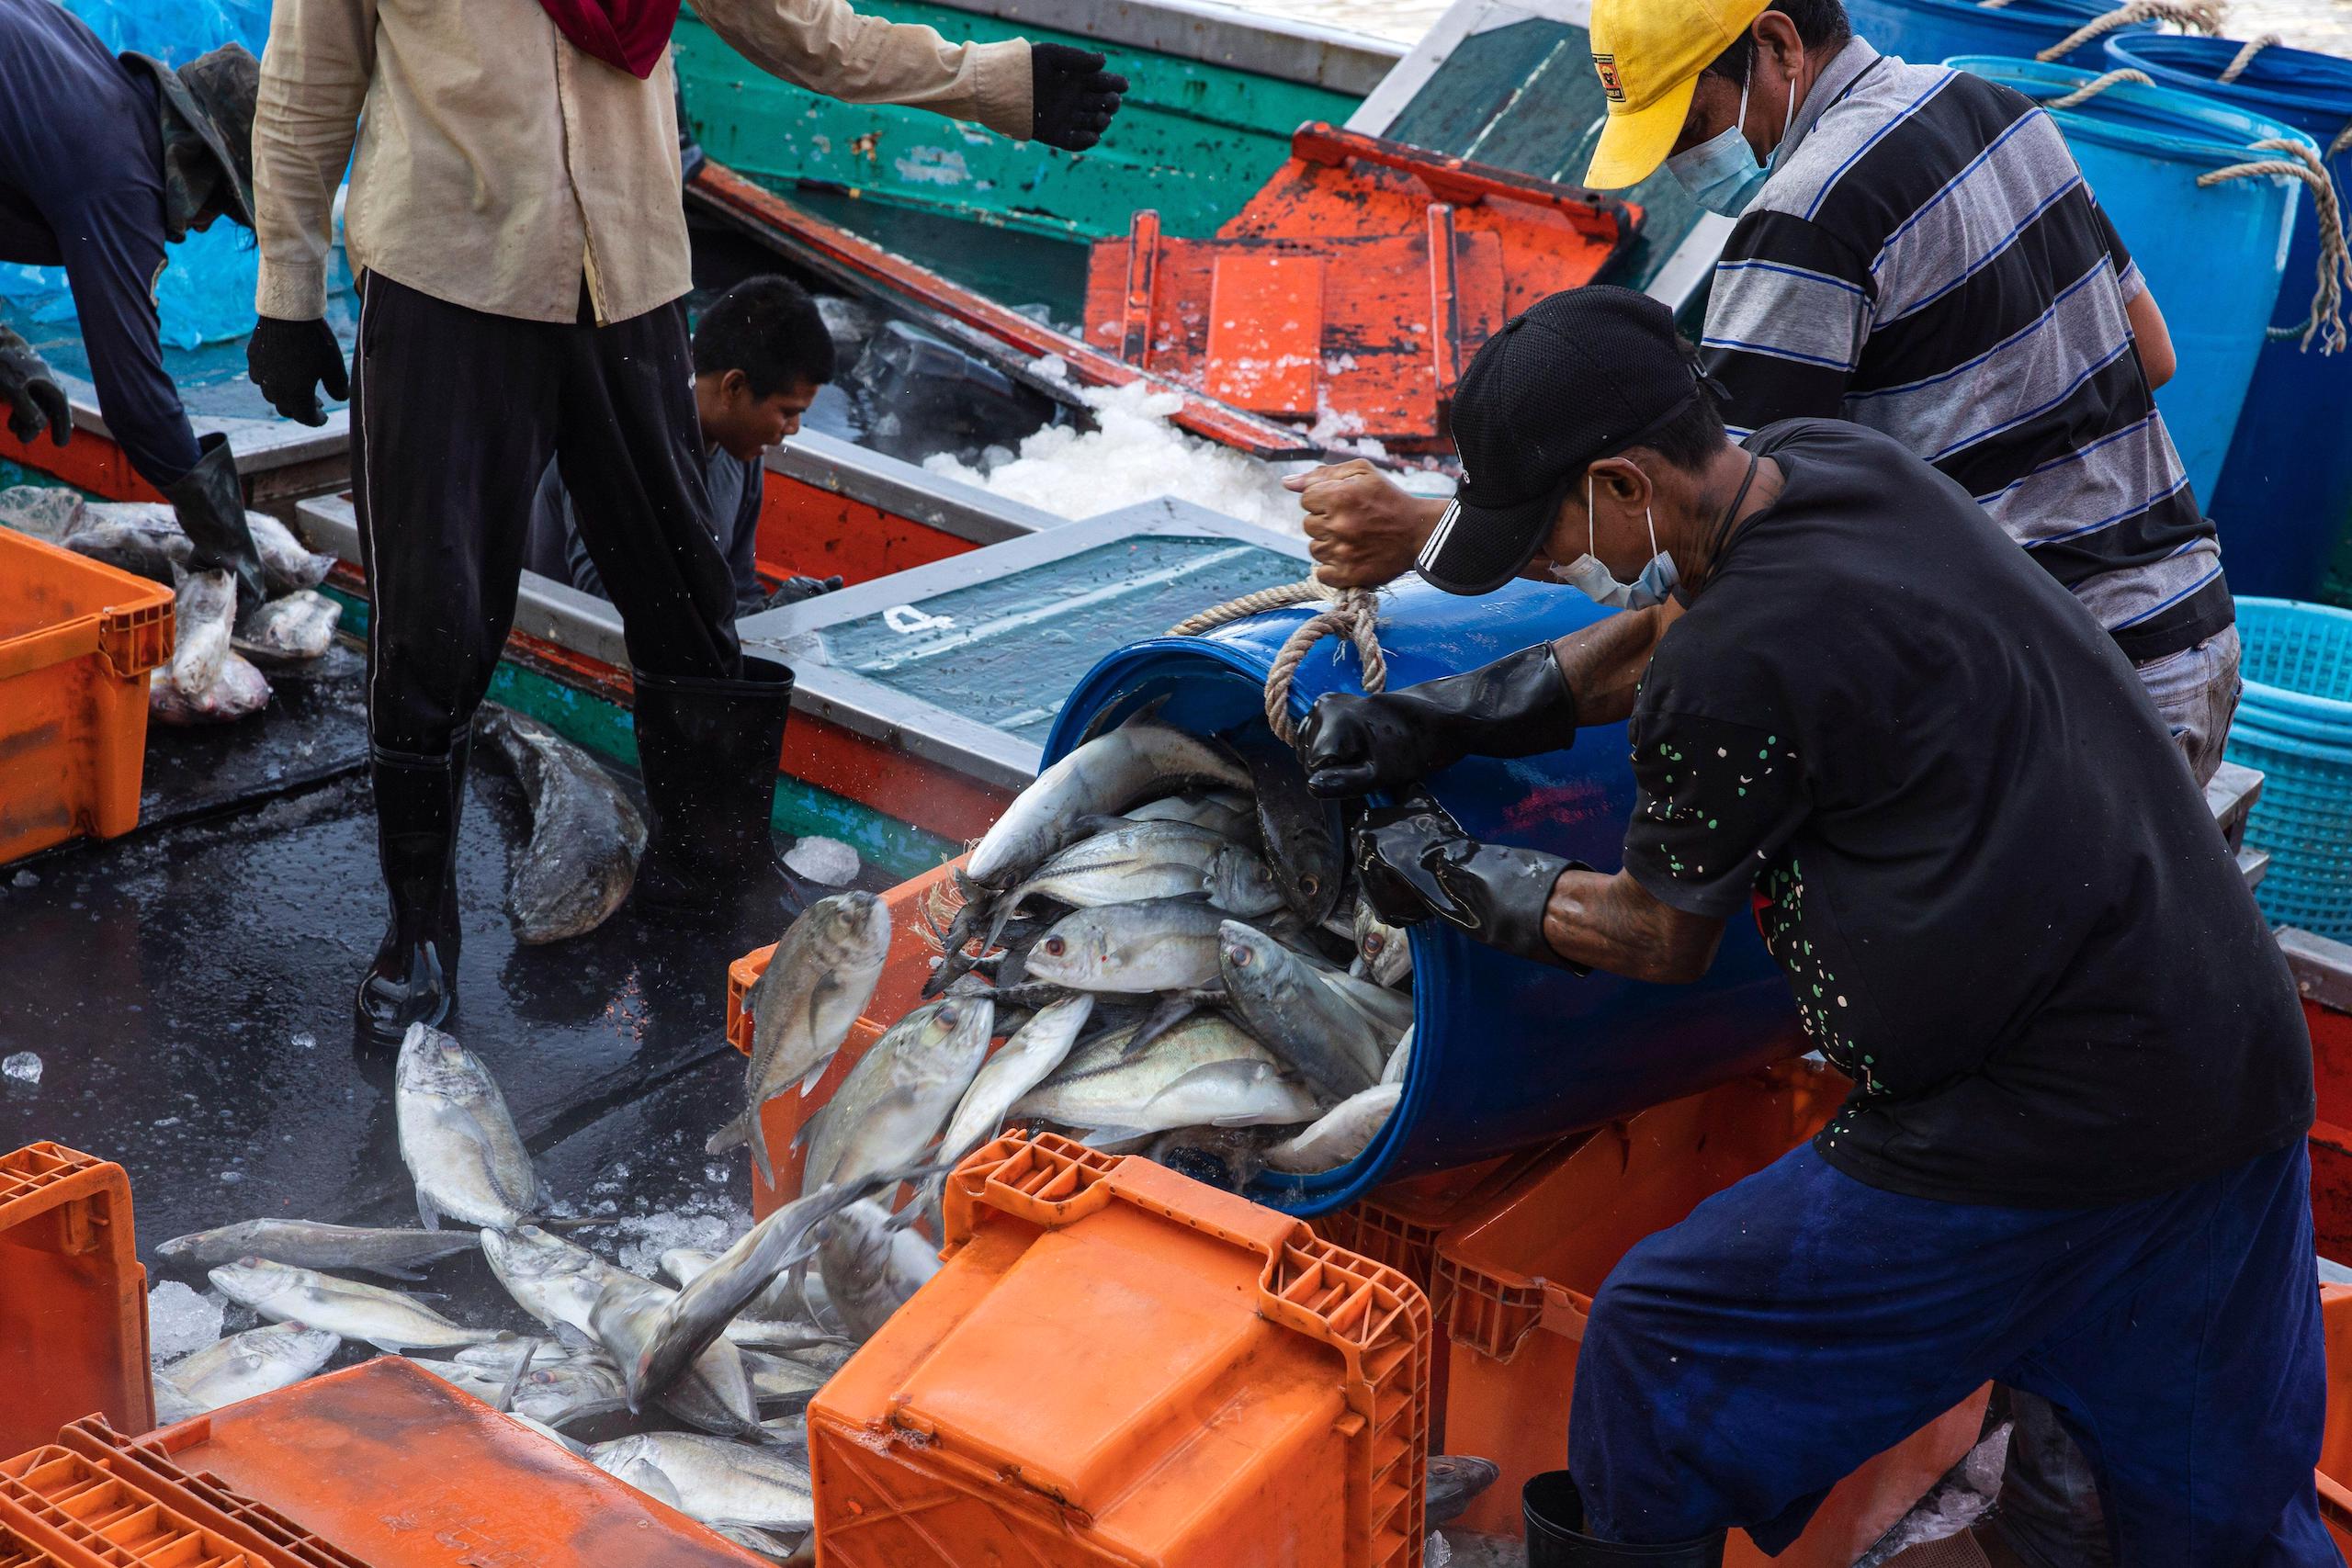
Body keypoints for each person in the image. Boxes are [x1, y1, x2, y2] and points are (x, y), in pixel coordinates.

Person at [1300, 287, 2326, 1564]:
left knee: (1657, 1346)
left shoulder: (1738, 659)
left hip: (2040, 1115)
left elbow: (1655, 931)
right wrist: (1448, 713)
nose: (1553, 555)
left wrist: (1448, 873)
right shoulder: (1834, 467)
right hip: (2224, 1047)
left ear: (1622, 483)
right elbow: (1667, 629)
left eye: (1554, 522)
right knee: (2218, 1519)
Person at [245, 0, 1125, 1042]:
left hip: (628, 283)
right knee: (430, 622)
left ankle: (714, 879)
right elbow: (304, 91)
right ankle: (418, 934)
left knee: (689, 594)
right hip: (449, 287)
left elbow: (801, 29)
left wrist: (999, 83)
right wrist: (286, 293)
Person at [1288, 0, 2241, 789]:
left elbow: (1705, 553)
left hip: (2061, 697)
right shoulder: (1991, 105)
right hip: (2187, 631)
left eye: (1691, 128)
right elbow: (2147, 353)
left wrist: (1427, 540)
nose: (1678, 167)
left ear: (1778, 46)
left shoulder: (1804, 218)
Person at [0, 1, 268, 607]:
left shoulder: (96, 87)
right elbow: (137, 401)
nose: (201, 228)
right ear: (200, 168)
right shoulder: (120, 171)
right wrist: (224, 537)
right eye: (220, 208)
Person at [525, 275, 842, 616]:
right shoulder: (618, 440)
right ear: (734, 387)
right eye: (788, 412)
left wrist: (774, 614)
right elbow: (608, 600)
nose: (793, 429)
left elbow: (737, 587)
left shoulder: (743, 451)